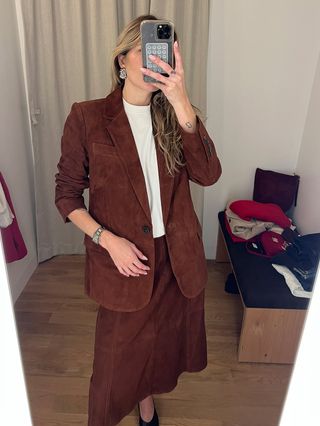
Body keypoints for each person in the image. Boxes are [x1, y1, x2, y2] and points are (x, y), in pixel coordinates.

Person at [55, 13, 221, 426]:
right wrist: (106, 239)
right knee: (114, 363)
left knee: (159, 345)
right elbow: (66, 195)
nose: (153, 62)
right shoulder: (88, 117)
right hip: (124, 260)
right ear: (122, 60)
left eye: (161, 54)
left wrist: (181, 99)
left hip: (175, 258)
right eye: (144, 52)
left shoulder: (176, 118)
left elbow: (208, 174)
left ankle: (147, 407)